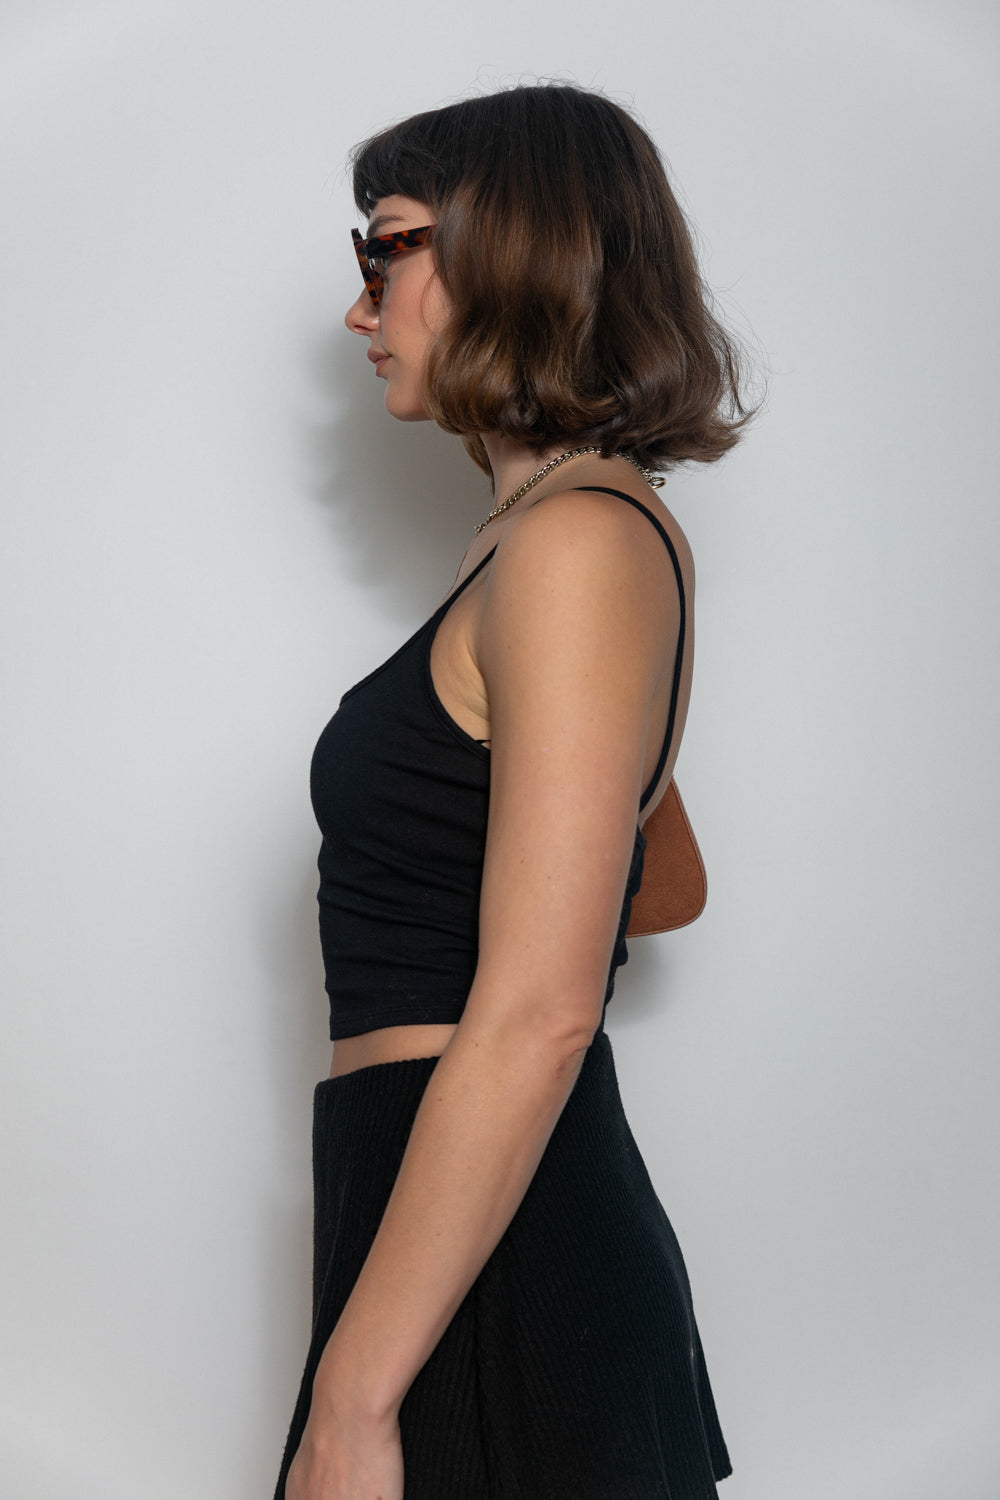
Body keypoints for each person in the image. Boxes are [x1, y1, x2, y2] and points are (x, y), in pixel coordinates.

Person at [274, 82, 751, 1500]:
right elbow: (661, 883)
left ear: (518, 248)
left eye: (387, 250)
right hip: (441, 1200)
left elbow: (544, 1011)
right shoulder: (546, 540)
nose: (361, 308)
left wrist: (353, 1405)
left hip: (504, 1233)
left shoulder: (578, 545)